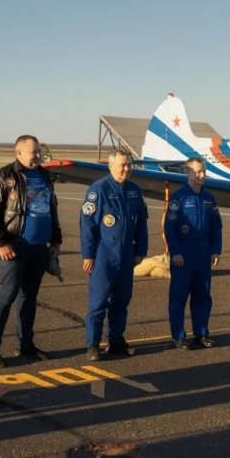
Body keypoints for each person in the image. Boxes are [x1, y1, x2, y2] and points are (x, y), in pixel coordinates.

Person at [0, 135, 62, 368]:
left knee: (29, 298)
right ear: (19, 153)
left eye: (39, 151)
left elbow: (51, 210)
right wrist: (0, 243)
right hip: (14, 248)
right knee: (5, 296)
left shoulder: (45, 176)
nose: (37, 155)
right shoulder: (4, 177)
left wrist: (56, 241)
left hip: (39, 248)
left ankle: (26, 345)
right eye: (32, 151)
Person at [81, 149, 148, 361]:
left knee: (122, 299)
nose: (127, 169)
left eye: (129, 164)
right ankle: (93, 344)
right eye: (122, 165)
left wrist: (141, 251)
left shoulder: (134, 191)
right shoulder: (98, 189)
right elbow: (88, 225)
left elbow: (141, 224)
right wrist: (88, 254)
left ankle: (116, 340)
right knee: (99, 301)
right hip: (104, 254)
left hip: (126, 253)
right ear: (110, 166)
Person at [165, 157, 223, 349]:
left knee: (202, 296)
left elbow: (216, 227)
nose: (201, 175)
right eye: (197, 171)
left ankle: (201, 333)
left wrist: (215, 250)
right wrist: (175, 252)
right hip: (183, 255)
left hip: (203, 254)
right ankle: (178, 336)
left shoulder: (209, 198)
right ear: (188, 173)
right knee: (179, 296)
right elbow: (170, 227)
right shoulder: (179, 198)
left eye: (203, 171)